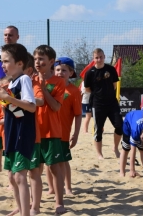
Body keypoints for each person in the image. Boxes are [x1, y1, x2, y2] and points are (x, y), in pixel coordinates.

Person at [0, 43, 36, 216]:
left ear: (20, 63)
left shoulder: (24, 79)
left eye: (6, 61)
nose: (2, 65)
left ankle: (26, 213)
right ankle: (21, 208)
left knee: (19, 176)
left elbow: (31, 107)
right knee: (12, 177)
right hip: (11, 134)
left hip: (22, 133)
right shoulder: (10, 83)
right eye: (1, 61)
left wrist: (8, 99)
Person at [33, 45, 66, 215]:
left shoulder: (59, 82)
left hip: (51, 131)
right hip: (33, 132)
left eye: (41, 59)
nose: (38, 62)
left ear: (51, 61)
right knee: (34, 170)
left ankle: (59, 202)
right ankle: (34, 205)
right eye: (36, 59)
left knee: (54, 168)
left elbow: (55, 107)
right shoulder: (29, 79)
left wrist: (44, 89)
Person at [84, 48, 123, 159]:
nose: (99, 59)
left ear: (104, 56)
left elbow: (114, 85)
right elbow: (87, 89)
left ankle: (115, 148)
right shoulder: (89, 73)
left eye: (101, 57)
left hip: (112, 103)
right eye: (96, 57)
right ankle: (99, 154)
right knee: (98, 130)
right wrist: (98, 94)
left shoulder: (111, 69)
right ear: (93, 59)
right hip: (98, 104)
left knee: (120, 126)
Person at [51, 57, 82, 196]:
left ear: (71, 72)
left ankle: (68, 188)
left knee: (63, 161)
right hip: (49, 131)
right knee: (49, 161)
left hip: (63, 132)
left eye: (64, 70)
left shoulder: (74, 91)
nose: (60, 72)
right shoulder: (49, 87)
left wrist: (76, 134)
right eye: (57, 70)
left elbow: (78, 114)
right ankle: (52, 188)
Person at [120, 109, 143, 177]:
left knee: (142, 150)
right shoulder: (135, 132)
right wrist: (132, 170)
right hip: (129, 122)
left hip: (140, 126)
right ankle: (122, 172)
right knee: (126, 149)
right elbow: (133, 151)